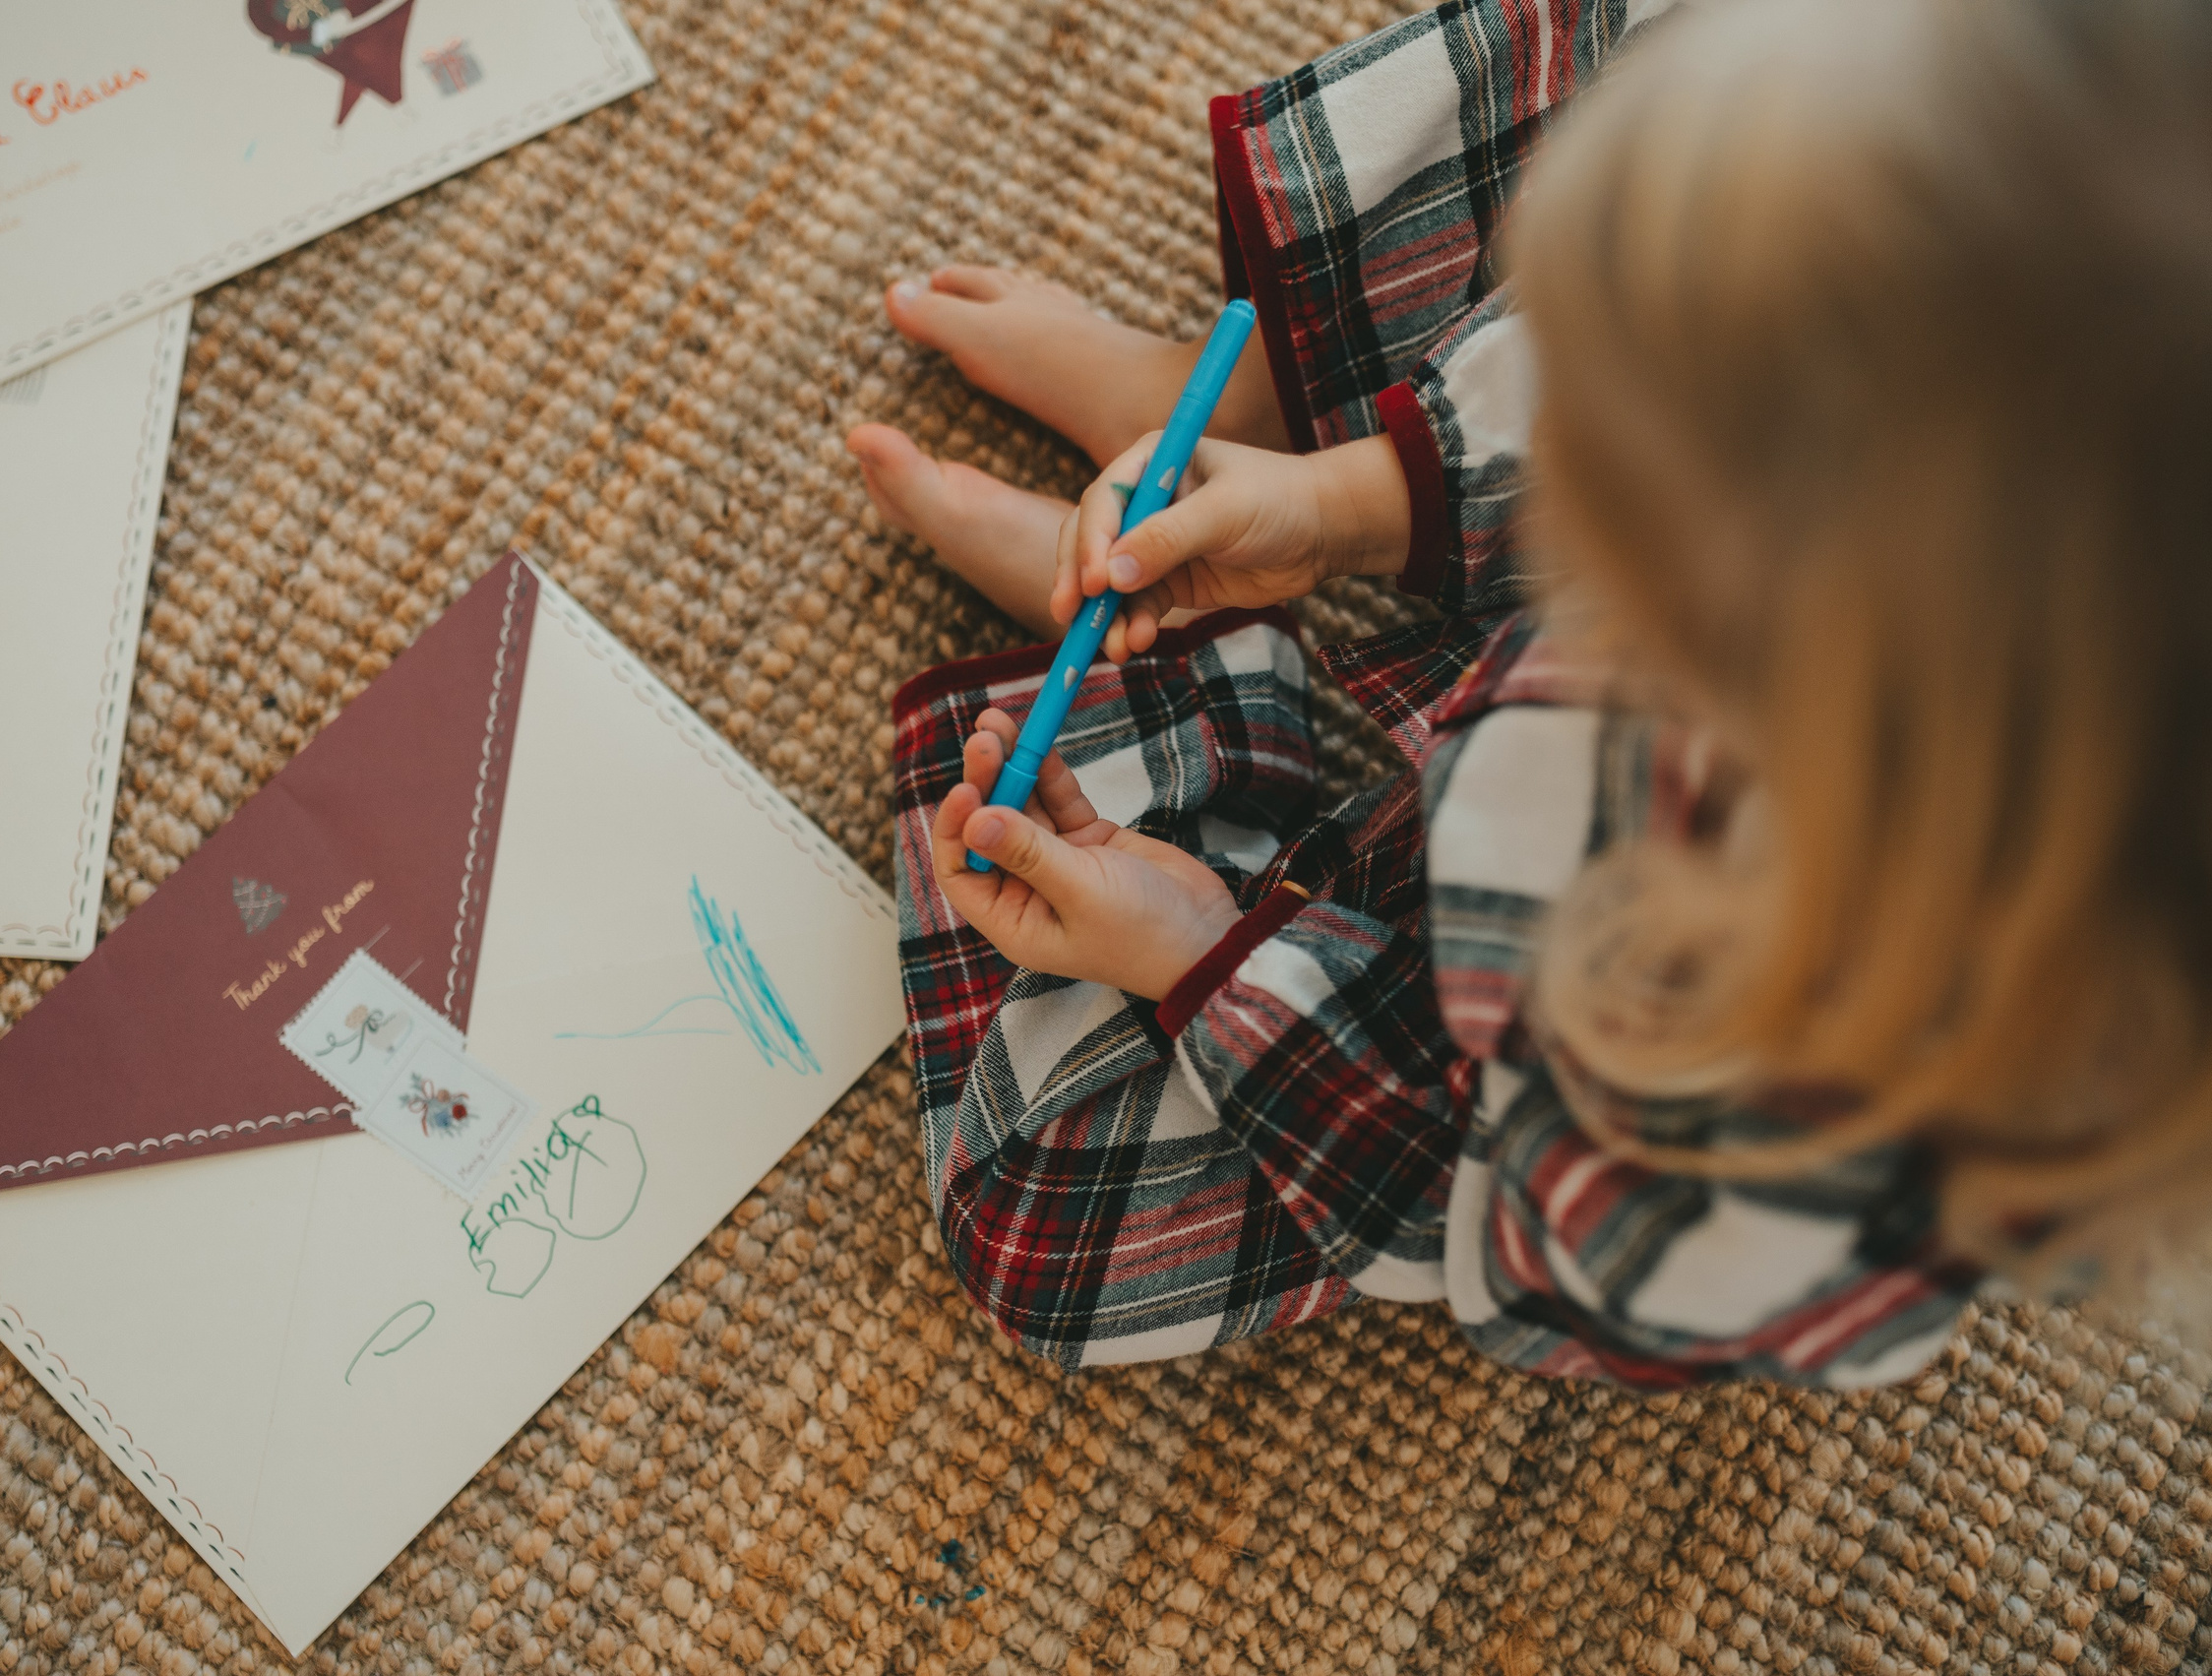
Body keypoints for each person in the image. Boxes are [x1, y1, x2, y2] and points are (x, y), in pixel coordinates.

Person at [859, 0, 2212, 1388]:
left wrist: (1202, 949)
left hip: (1496, 1019)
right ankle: (1271, 418)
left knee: (1046, 1217)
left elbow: (1455, 1194)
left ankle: (1221, 679)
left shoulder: (1812, 1104)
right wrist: (1338, 502)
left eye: (1641, 455)